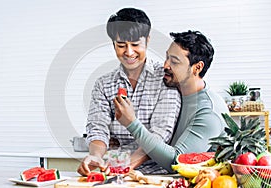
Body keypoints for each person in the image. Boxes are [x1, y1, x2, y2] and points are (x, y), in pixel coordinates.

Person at [77, 8, 181, 176]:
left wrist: (127, 166)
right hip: (115, 173)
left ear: (147, 40)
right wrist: (95, 155)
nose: (129, 52)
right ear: (113, 44)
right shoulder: (103, 84)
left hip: (157, 175)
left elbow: (160, 134)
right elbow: (98, 127)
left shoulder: (166, 78)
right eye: (121, 45)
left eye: (135, 44)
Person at [114, 30, 229, 173]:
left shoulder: (209, 113)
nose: (165, 66)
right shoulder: (176, 93)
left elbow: (177, 162)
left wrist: (132, 123)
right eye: (167, 57)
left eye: (174, 61)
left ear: (197, 67)